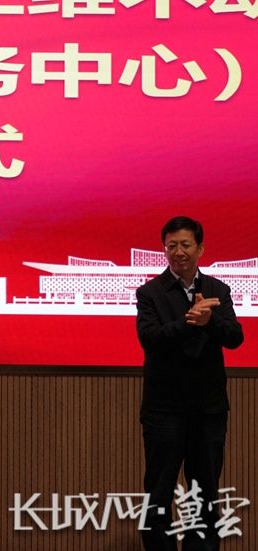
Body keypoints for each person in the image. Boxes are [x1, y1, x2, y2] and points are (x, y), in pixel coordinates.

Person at [136, 216, 243, 550]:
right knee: (159, 492)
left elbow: (235, 337)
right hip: (164, 410)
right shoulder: (150, 292)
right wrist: (189, 321)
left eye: (185, 245)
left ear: (200, 248)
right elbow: (150, 339)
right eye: (171, 246)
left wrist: (210, 321)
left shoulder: (218, 290)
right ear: (164, 250)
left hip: (208, 409)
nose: (178, 252)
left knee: (206, 492)